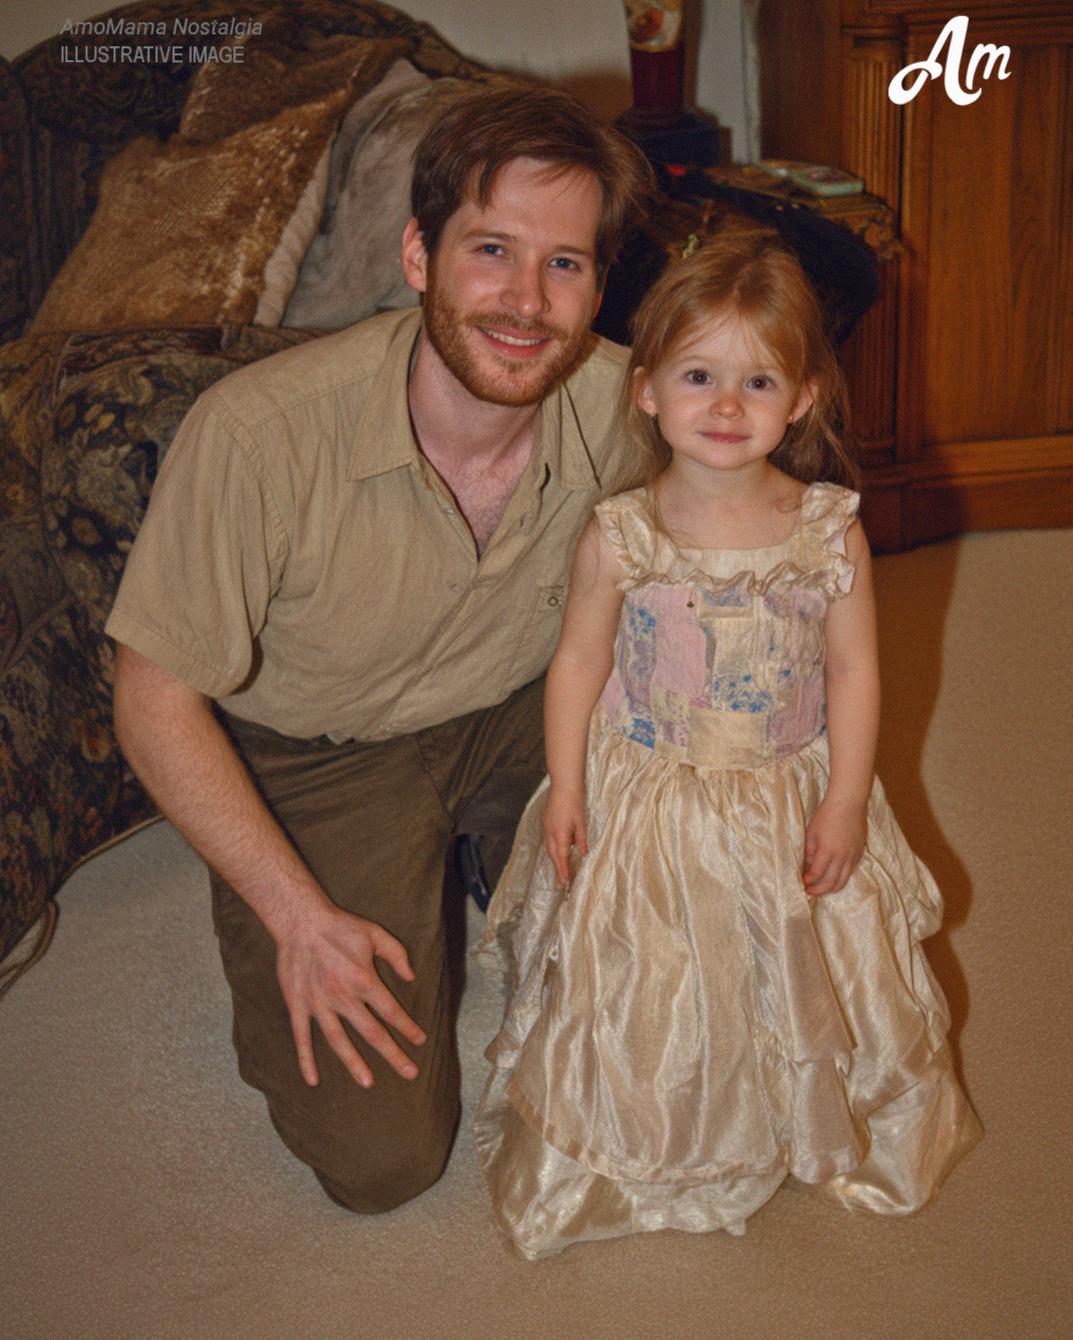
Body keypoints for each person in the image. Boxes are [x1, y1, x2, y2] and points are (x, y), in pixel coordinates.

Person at [105, 83, 652, 1214]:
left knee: (680, 964)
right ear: (417, 255)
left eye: (563, 263)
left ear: (599, 285)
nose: (525, 301)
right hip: (314, 753)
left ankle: (483, 854)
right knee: (381, 1161)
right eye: (490, 250)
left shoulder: (628, 407)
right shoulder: (258, 434)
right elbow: (153, 702)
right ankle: (356, 879)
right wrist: (295, 914)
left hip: (522, 707)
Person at [474, 231, 982, 1259]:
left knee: (795, 965)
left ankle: (798, 1117)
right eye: (697, 375)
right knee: (656, 977)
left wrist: (845, 798)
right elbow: (578, 661)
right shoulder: (621, 532)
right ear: (646, 389)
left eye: (758, 381)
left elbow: (854, 671)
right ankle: (660, 1141)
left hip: (787, 789)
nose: (724, 404)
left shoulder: (828, 530)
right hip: (650, 799)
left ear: (800, 398)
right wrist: (566, 786)